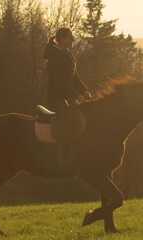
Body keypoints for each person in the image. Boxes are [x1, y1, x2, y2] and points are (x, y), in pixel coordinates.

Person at [43, 27, 92, 169]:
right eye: (70, 37)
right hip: (56, 99)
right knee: (69, 120)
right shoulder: (55, 57)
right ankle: (62, 155)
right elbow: (60, 82)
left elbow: (74, 77)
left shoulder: (67, 54)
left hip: (67, 98)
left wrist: (84, 91)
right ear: (62, 38)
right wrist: (76, 95)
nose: (73, 39)